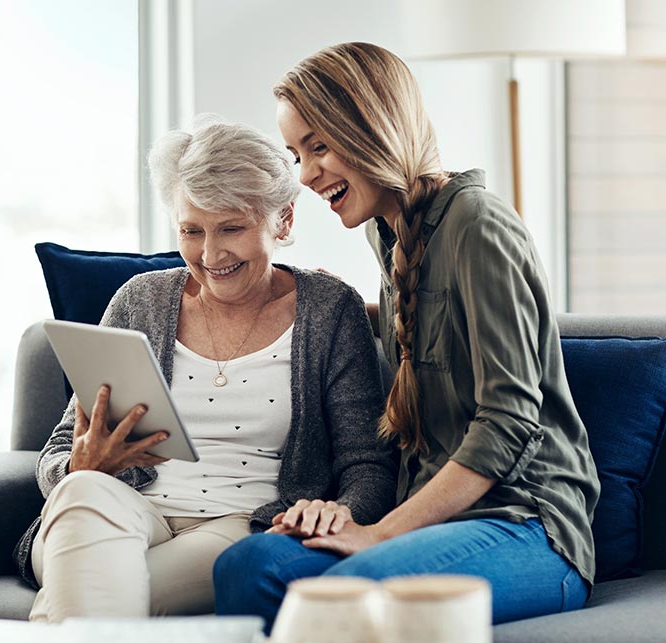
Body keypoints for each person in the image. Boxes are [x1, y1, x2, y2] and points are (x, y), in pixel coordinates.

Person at [214, 42, 601, 630]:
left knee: (350, 594)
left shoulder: (478, 225)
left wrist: (379, 534)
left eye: (319, 145)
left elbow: (509, 423)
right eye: (297, 153)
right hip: (436, 523)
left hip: (527, 525)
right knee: (248, 564)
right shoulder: (388, 236)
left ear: (373, 125)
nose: (307, 175)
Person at [15, 116, 397, 622]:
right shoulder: (139, 300)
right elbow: (60, 450)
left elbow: (367, 463)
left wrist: (341, 512)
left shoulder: (329, 310)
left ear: (282, 219)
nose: (210, 254)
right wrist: (78, 469)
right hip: (114, 506)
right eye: (191, 231)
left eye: (231, 229)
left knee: (92, 582)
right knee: (82, 497)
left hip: (239, 522)